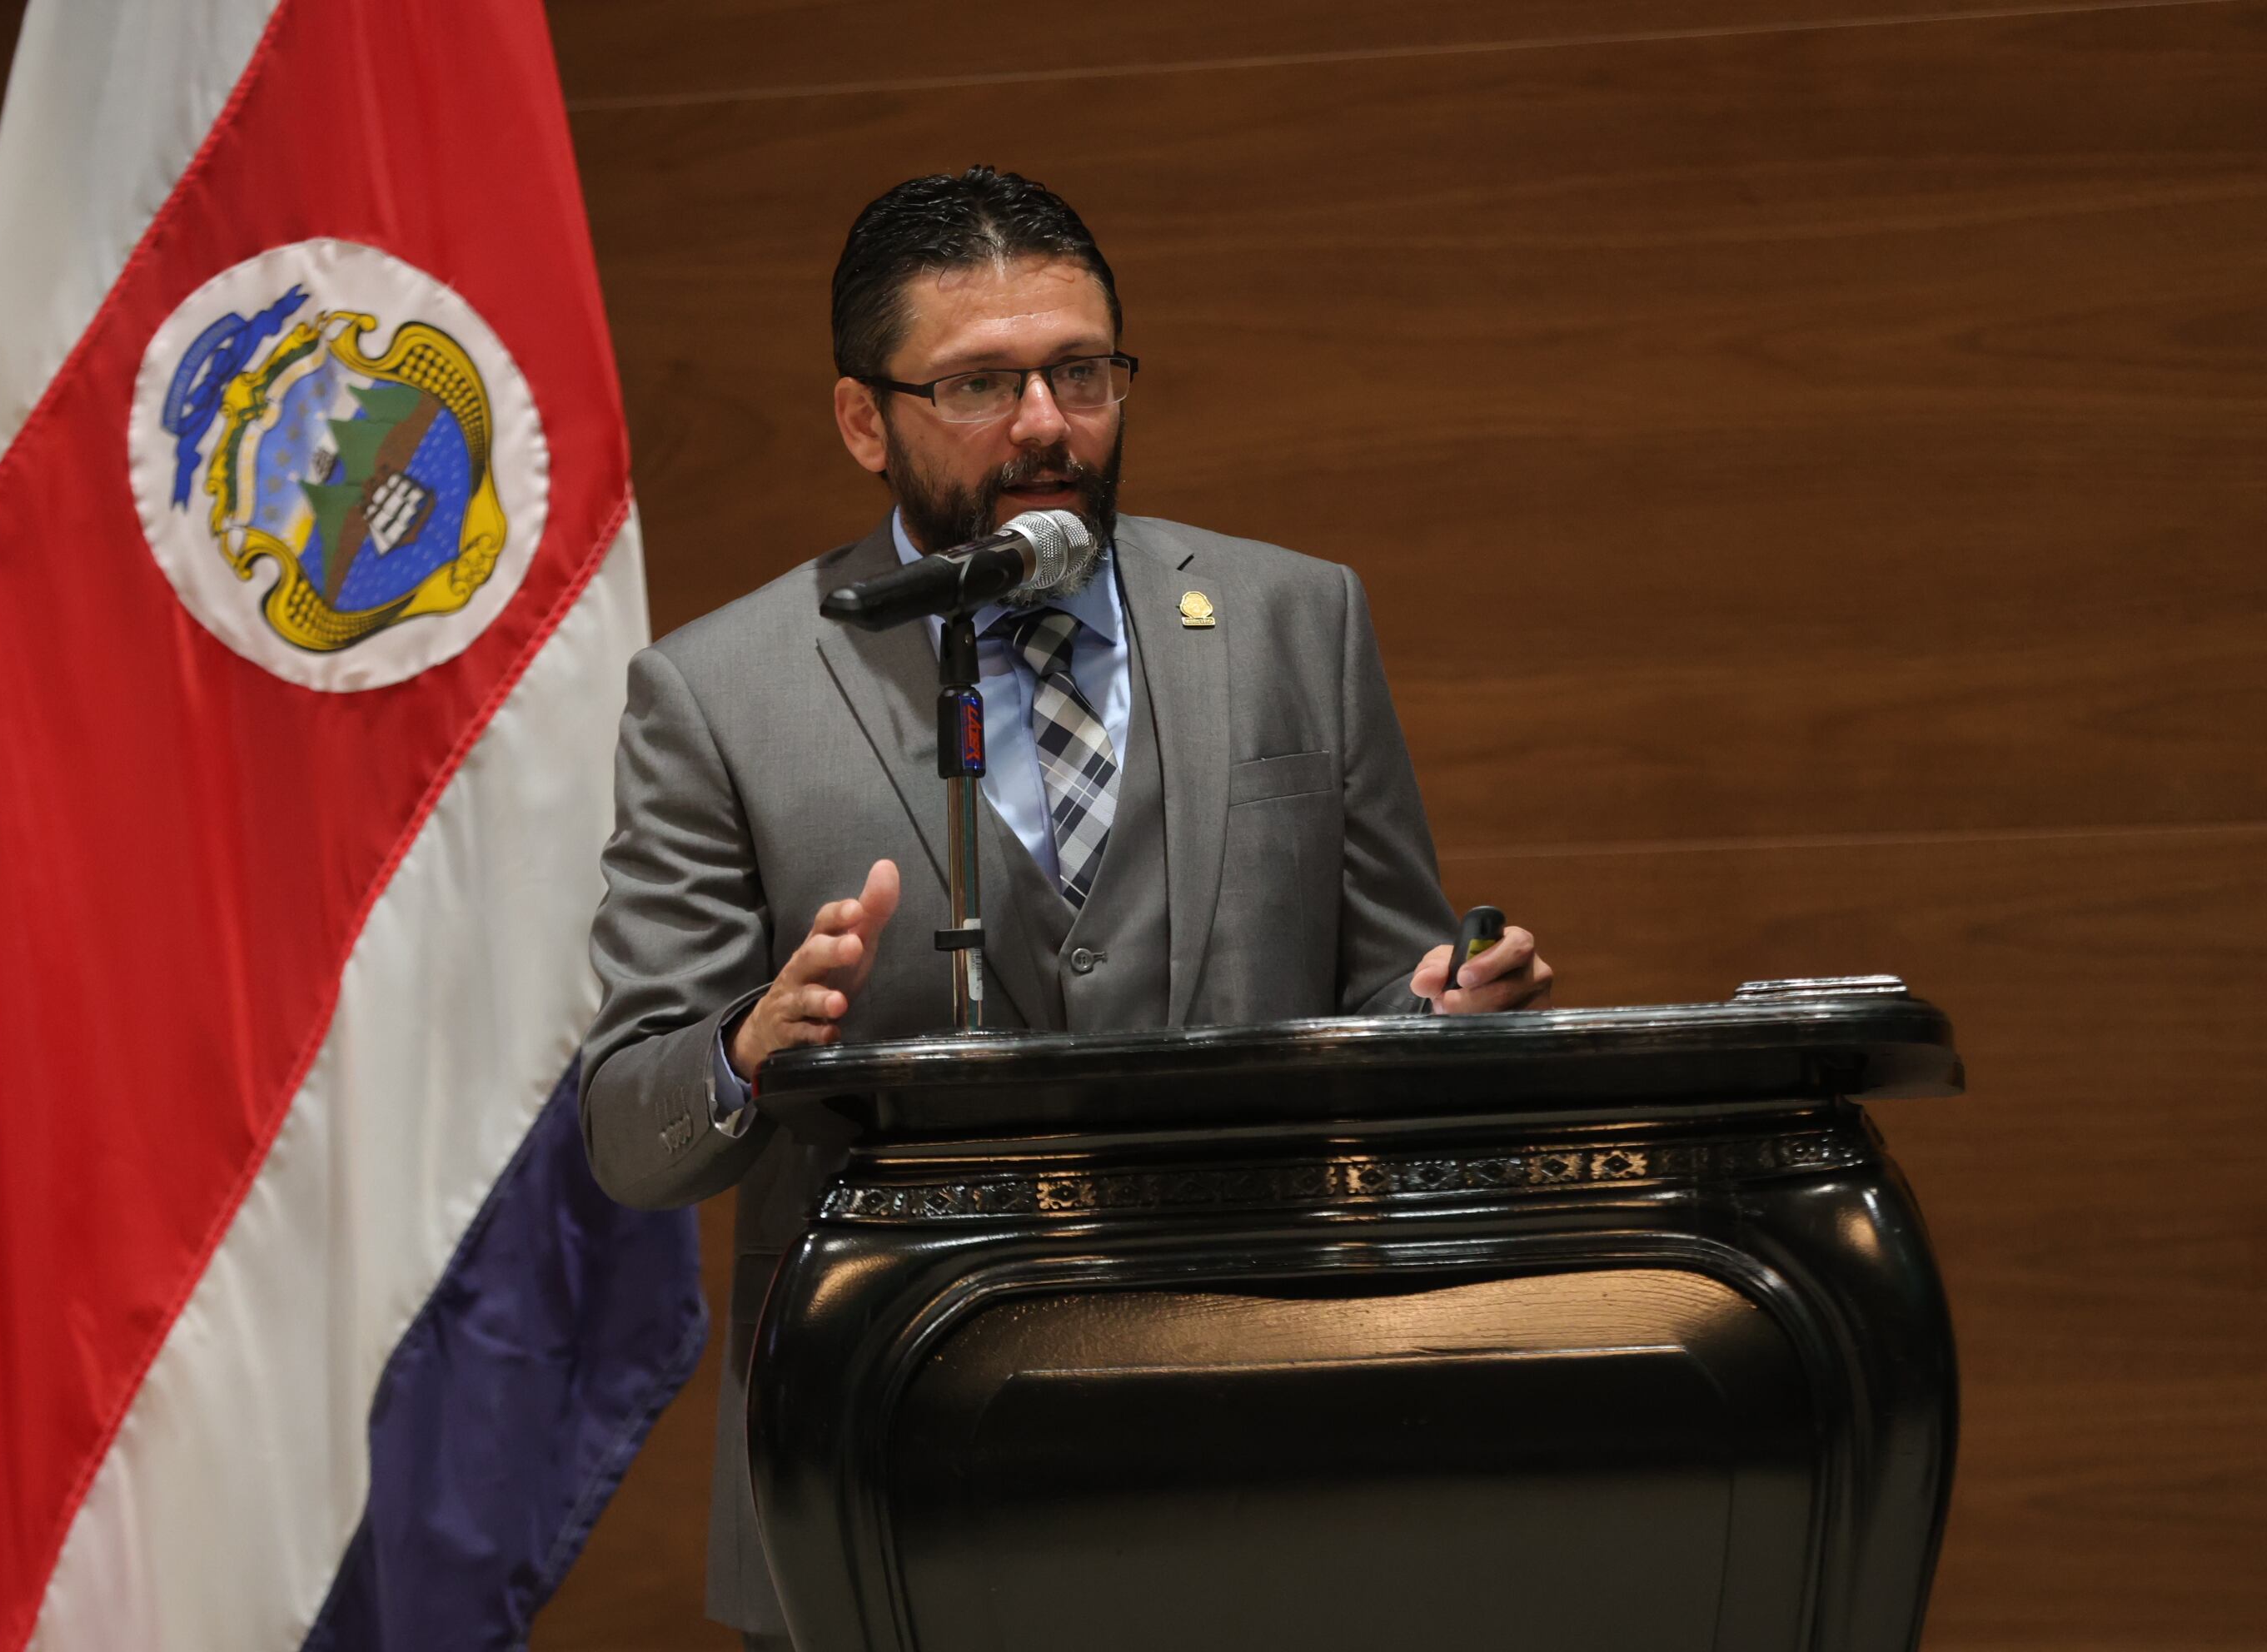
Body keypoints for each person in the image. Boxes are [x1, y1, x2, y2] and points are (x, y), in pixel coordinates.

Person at [579, 166, 1554, 1648]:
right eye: (980, 382)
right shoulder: (722, 696)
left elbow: (1382, 999)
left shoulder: (1295, 619)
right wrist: (745, 1051)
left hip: (1273, 1449)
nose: (1047, 424)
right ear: (865, 419)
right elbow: (628, 1126)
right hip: (888, 1473)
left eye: (1081, 372)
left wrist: (1443, 1016)